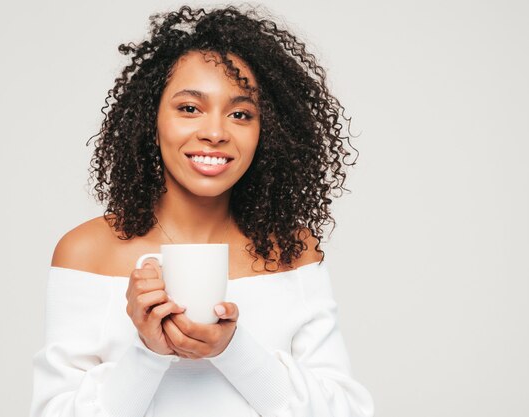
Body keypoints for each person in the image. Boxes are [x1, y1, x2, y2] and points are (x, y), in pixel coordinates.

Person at [30, 4, 374, 417]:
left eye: (240, 114)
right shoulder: (86, 252)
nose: (214, 133)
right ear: (150, 119)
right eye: (189, 108)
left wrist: (233, 349)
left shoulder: (292, 251)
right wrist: (149, 353)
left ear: (267, 132)